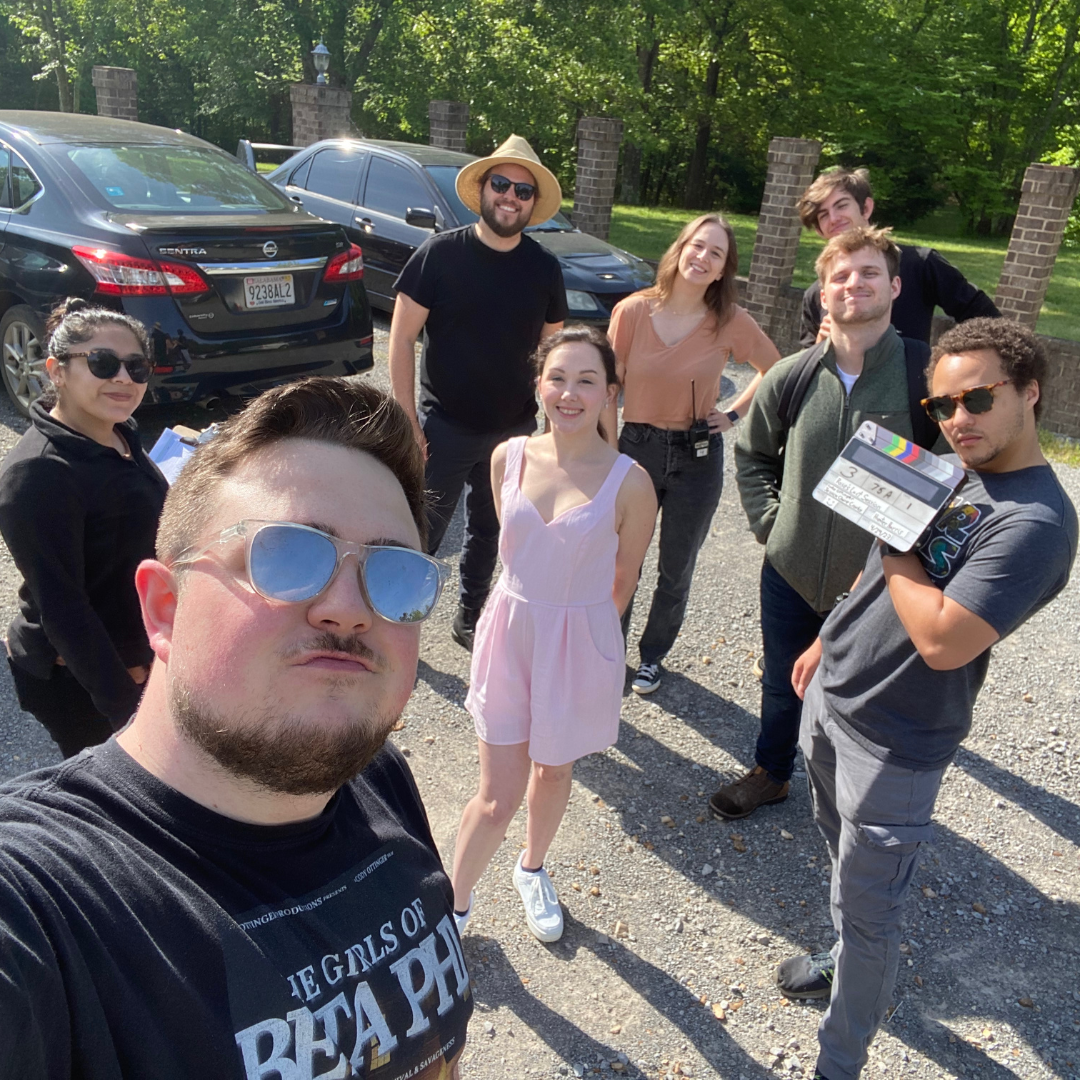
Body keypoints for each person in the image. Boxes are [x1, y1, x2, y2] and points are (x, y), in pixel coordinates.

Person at [0, 378, 473, 1079]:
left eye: (395, 574)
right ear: (164, 608)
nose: (348, 609)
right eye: (286, 555)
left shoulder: (373, 773)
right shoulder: (43, 903)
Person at [778, 318, 1076, 1080]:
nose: (956, 420)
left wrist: (892, 535)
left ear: (1030, 392)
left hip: (899, 741)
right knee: (839, 862)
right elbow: (880, 581)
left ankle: (838, 1062)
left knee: (874, 914)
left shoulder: (1038, 523)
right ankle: (843, 951)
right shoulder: (951, 463)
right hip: (834, 695)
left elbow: (945, 640)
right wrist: (827, 634)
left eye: (977, 398)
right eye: (941, 405)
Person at [714, 226, 930, 821]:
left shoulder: (924, 377)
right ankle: (773, 772)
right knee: (784, 683)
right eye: (840, 275)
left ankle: (851, 795)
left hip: (883, 585)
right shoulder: (792, 375)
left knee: (866, 694)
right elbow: (753, 454)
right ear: (824, 292)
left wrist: (912, 561)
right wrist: (772, 524)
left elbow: (953, 475)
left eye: (868, 273)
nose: (853, 284)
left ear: (895, 285)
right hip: (790, 569)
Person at [450, 327, 656, 942]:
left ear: (610, 394)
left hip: (578, 640)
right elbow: (510, 551)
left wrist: (585, 634)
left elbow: (625, 579)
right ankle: (452, 910)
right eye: (557, 377)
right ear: (538, 384)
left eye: (587, 380)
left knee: (555, 771)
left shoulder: (631, 482)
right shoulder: (506, 457)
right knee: (496, 795)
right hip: (510, 632)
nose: (570, 393)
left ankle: (531, 867)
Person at [389, 134, 568, 651]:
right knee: (420, 533)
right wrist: (407, 422)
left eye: (523, 191)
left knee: (493, 533)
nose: (511, 197)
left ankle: (470, 618)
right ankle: (397, 622)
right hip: (441, 427)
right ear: (484, 189)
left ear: (533, 205)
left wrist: (554, 435)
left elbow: (552, 356)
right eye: (502, 184)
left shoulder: (543, 270)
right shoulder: (439, 256)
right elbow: (400, 340)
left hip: (513, 430)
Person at [604, 213, 780, 695]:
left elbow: (774, 369)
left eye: (716, 253)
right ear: (679, 250)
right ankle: (608, 655)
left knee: (676, 567)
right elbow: (607, 387)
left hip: (697, 455)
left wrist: (734, 413)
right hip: (635, 447)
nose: (703, 258)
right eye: (697, 246)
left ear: (724, 270)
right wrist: (603, 451)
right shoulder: (633, 312)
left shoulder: (730, 322)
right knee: (623, 561)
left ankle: (652, 657)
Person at [0, 297, 167, 757]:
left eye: (137, 367)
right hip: (85, 680)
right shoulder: (38, 473)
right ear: (56, 370)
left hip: (140, 654)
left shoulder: (119, 433)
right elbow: (64, 608)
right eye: (102, 362)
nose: (123, 378)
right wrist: (125, 710)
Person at [797, 167, 999, 347]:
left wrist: (950, 367)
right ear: (819, 230)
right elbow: (805, 371)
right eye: (823, 215)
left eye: (841, 206)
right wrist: (820, 344)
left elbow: (988, 320)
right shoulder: (817, 293)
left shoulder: (918, 263)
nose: (834, 219)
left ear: (866, 208)